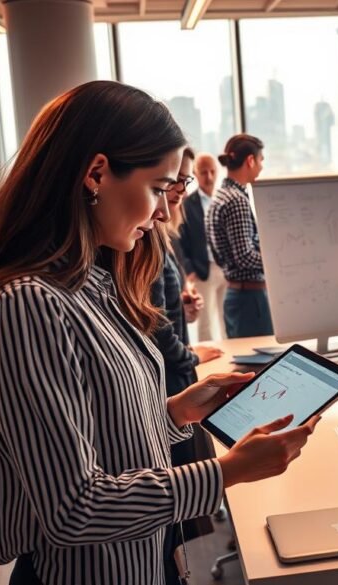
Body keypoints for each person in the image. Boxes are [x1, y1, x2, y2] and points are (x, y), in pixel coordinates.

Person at [0, 81, 317, 585]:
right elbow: (74, 507)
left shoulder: (88, 284)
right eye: (158, 188)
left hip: (138, 561)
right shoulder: (26, 305)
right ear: (96, 174)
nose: (163, 211)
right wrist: (227, 472)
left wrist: (179, 410)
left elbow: (100, 439)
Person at [149, 146, 225, 548]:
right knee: (175, 509)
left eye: (181, 181)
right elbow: (155, 323)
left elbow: (160, 310)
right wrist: (192, 356)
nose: (175, 193)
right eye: (166, 183)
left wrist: (183, 307)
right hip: (170, 377)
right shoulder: (142, 240)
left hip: (172, 386)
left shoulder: (159, 233)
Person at [206, 134, 271, 338]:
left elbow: (220, 255)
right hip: (250, 299)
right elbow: (244, 256)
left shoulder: (220, 196)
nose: (261, 167)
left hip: (236, 295)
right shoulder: (236, 200)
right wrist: (277, 265)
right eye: (260, 161)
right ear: (250, 160)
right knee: (261, 365)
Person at [179, 151, 228, 341]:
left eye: (212, 171)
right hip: (202, 270)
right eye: (203, 172)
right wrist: (190, 270)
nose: (209, 177)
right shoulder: (186, 204)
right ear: (195, 174)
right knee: (206, 324)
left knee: (226, 321)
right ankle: (208, 366)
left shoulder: (223, 200)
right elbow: (181, 242)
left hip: (225, 269)